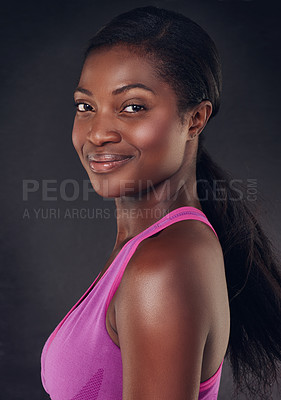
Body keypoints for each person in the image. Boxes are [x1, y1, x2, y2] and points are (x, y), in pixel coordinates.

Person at [41, 6, 281, 400]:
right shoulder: (153, 250)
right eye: (86, 106)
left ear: (195, 120)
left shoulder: (163, 265)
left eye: (133, 106)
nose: (98, 132)